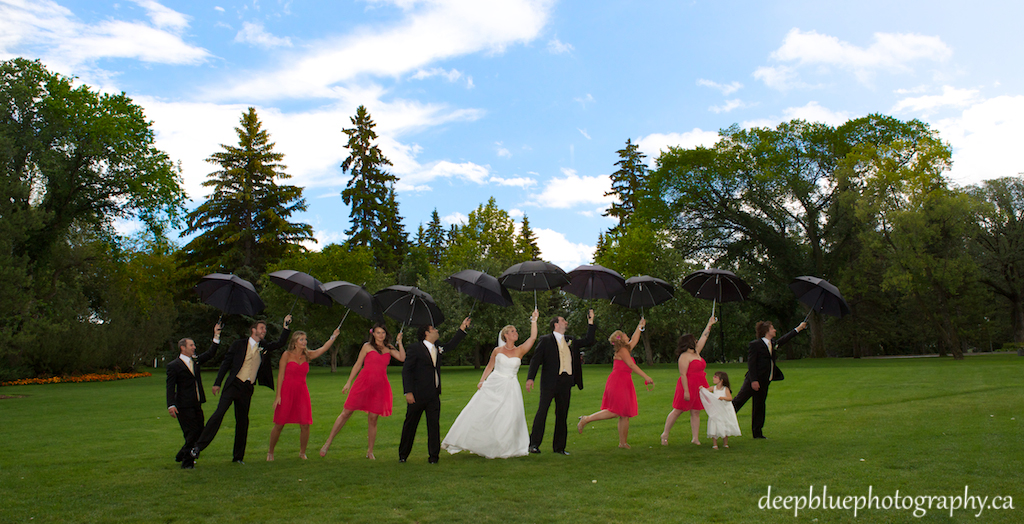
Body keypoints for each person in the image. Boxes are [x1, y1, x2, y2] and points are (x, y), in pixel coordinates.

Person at [183, 315, 292, 468]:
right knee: (219, 414)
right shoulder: (239, 344)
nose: (264, 331)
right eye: (261, 328)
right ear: (253, 330)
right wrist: (217, 383)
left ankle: (238, 457)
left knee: (242, 422)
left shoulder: (264, 346)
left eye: (265, 329)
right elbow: (226, 363)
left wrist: (286, 326)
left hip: (247, 389)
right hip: (233, 385)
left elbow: (280, 343)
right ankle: (198, 447)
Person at [441, 309, 539, 458]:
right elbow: (489, 366)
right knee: (483, 413)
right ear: (505, 335)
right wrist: (482, 380)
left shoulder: (520, 350)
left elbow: (532, 337)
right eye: (512, 331)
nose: (515, 333)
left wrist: (534, 320)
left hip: (511, 386)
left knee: (509, 416)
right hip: (495, 384)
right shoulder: (497, 350)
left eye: (516, 331)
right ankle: (474, 440)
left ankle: (505, 445)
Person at [320, 324, 405, 460]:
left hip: (380, 386)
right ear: (373, 334)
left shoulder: (389, 348)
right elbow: (358, 364)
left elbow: (402, 358)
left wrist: (400, 342)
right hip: (363, 383)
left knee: (373, 418)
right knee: (346, 412)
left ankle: (370, 451)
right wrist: (348, 382)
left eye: (383, 332)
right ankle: (328, 442)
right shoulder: (367, 346)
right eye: (378, 332)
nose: (381, 335)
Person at [398, 317, 471, 463]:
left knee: (433, 425)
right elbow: (407, 371)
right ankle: (403, 455)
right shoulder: (415, 348)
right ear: (426, 333)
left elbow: (451, 345)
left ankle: (433, 456)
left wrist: (462, 328)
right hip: (417, 395)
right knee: (410, 425)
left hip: (433, 394)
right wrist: (409, 392)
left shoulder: (437, 347)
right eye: (434, 329)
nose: (437, 331)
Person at [526, 309, 596, 455]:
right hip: (549, 381)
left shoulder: (571, 340)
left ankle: (559, 448)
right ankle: (533, 444)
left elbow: (588, 341)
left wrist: (591, 322)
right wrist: (530, 378)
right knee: (542, 411)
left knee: (562, 414)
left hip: (566, 381)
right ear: (556, 325)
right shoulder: (545, 340)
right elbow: (535, 360)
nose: (566, 322)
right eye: (563, 320)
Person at [576, 318, 654, 449]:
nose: (627, 335)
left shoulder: (625, 349)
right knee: (615, 412)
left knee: (624, 414)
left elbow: (634, 340)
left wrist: (640, 326)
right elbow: (631, 365)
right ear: (621, 339)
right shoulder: (623, 351)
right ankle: (586, 419)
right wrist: (646, 377)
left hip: (623, 382)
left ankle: (623, 443)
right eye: (624, 334)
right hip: (618, 382)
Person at [266, 327, 340, 461]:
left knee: (305, 424)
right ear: (295, 342)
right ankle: (270, 452)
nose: (304, 342)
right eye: (302, 339)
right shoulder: (286, 355)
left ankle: (302, 452)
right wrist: (278, 396)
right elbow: (280, 376)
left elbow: (323, 349)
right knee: (279, 423)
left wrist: (333, 336)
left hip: (302, 392)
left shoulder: (308, 355)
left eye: (305, 339)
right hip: (287, 391)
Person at [732, 320, 807, 439]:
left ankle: (757, 433)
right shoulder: (755, 344)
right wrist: (754, 381)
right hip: (753, 381)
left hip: (765, 381)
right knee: (738, 402)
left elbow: (783, 340)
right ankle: (722, 422)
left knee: (759, 406)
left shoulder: (772, 343)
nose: (775, 330)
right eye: (772, 328)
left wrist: (798, 328)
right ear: (767, 331)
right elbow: (751, 364)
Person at [166, 322, 222, 468]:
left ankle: (182, 454)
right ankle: (187, 462)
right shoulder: (174, 366)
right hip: (183, 405)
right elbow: (170, 387)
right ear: (183, 347)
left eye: (194, 345)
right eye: (191, 345)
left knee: (200, 432)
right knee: (191, 433)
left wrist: (216, 335)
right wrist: (171, 405)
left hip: (196, 403)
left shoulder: (195, 361)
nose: (194, 347)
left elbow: (210, 354)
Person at [660, 316, 717, 446]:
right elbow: (683, 374)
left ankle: (695, 438)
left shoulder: (696, 352)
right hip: (687, 385)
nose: (697, 340)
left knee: (696, 411)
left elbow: (704, 337)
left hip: (700, 385)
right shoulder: (684, 356)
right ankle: (665, 433)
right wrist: (686, 391)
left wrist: (710, 323)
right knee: (678, 410)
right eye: (694, 339)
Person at [699, 371, 741, 449]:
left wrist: (723, 398)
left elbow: (730, 398)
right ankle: (715, 444)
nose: (713, 378)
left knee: (724, 424)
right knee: (714, 424)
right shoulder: (713, 388)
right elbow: (706, 391)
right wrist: (702, 389)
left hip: (724, 410)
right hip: (716, 410)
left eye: (716, 377)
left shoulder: (725, 389)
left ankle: (725, 443)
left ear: (721, 380)